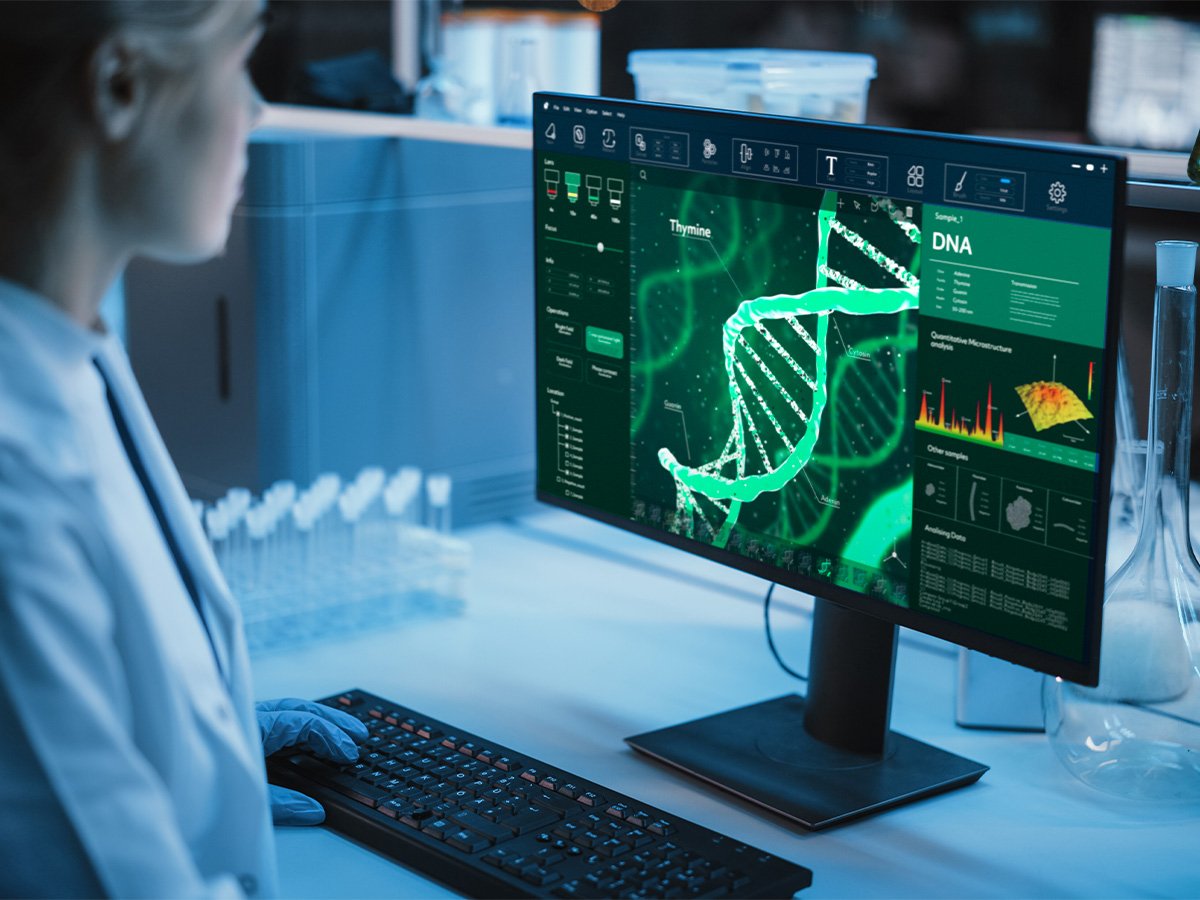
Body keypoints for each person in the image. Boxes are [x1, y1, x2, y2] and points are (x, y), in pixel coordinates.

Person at [0, 2, 367, 895]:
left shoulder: (69, 349)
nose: (258, 109)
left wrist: (207, 751)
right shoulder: (15, 479)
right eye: (241, 65)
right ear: (121, 87)